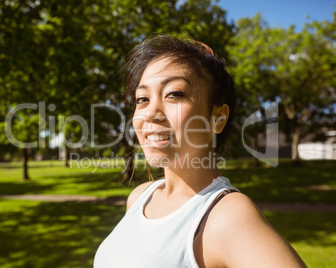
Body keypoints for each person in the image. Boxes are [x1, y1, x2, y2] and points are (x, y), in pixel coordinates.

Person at [94, 34, 306, 268]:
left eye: (174, 94)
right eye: (142, 98)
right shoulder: (140, 197)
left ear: (218, 117)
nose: (151, 113)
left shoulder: (226, 216)